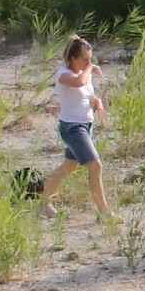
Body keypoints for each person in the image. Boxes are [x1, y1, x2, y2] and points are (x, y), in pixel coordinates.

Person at [44, 36, 112, 219]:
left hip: (85, 125)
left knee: (68, 166)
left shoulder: (84, 74)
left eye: (90, 59)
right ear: (72, 59)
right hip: (72, 128)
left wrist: (98, 104)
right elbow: (79, 83)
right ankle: (104, 212)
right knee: (96, 166)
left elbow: (88, 95)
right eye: (85, 59)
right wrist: (90, 68)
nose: (88, 63)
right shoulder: (63, 74)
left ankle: (43, 202)